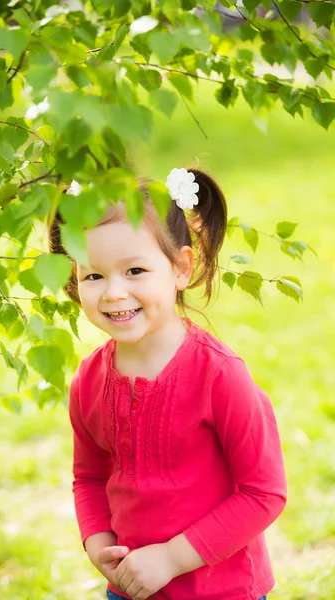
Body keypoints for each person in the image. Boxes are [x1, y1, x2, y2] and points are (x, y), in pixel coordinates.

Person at [49, 167, 287, 600]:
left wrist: (172, 558)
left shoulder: (219, 375)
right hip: (130, 588)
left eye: (135, 270)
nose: (114, 293)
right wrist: (98, 541)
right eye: (93, 275)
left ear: (179, 268)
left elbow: (263, 492)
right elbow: (88, 475)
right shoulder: (89, 380)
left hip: (222, 591)